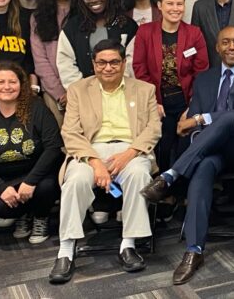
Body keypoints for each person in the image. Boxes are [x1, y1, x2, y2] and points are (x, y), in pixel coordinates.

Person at [139, 26, 234, 285]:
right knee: (202, 169)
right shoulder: (205, 79)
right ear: (217, 47)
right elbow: (192, 127)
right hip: (211, 150)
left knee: (232, 116)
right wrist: (198, 125)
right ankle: (194, 250)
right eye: (225, 42)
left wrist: (202, 118)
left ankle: (171, 174)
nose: (231, 47)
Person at [50, 40, 161, 284]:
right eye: (101, 62)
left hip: (131, 149)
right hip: (90, 150)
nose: (108, 67)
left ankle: (128, 245)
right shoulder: (79, 90)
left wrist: (129, 153)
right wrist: (95, 162)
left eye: (114, 62)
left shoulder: (144, 89)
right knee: (76, 179)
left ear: (123, 64)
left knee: (138, 176)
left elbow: (153, 129)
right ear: (93, 64)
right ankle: (66, 251)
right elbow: (70, 132)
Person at [0, 62, 62, 244]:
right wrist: (0, 188)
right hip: (5, 179)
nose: (7, 87)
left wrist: (31, 181)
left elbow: (53, 148)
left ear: (21, 85)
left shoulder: (38, 109)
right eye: (1, 82)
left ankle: (40, 217)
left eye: (13, 82)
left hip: (39, 175)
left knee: (46, 188)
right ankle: (23, 214)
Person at [133, 0, 209, 171]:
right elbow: (139, 68)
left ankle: (183, 192)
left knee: (186, 144)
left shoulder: (194, 33)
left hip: (186, 100)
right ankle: (163, 191)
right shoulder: (145, 32)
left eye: (179, 4)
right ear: (159, 5)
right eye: (170, 3)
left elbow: (201, 71)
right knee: (164, 143)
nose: (175, 8)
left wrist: (193, 105)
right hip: (158, 100)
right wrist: (153, 102)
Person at [57, 0, 137, 90]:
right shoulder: (73, 26)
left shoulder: (127, 25)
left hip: (121, 90)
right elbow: (65, 62)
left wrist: (115, 86)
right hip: (84, 93)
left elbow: (131, 62)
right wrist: (81, 89)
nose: (93, 0)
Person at [31, 0, 80, 125]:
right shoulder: (38, 17)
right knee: (60, 140)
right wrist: (60, 93)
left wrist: (76, 91)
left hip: (85, 89)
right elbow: (40, 61)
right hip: (53, 92)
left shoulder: (85, 14)